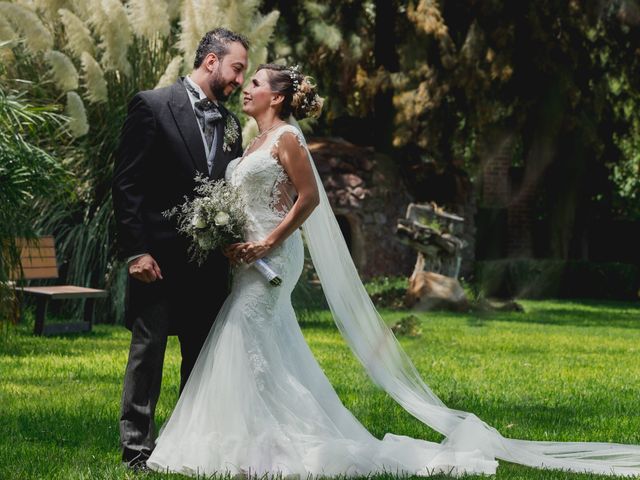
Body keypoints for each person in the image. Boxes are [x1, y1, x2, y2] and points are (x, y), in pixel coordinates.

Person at [147, 64, 640, 477]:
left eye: (255, 83)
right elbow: (254, 197)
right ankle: (248, 441)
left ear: (277, 97)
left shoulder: (289, 137)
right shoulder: (252, 143)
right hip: (246, 255)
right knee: (255, 340)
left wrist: (269, 241)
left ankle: (269, 443)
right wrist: (228, 233)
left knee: (246, 333)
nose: (247, 89)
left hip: (273, 255)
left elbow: (310, 198)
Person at [112, 28, 248, 470]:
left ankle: (189, 445)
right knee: (148, 354)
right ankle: (136, 449)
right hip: (158, 261)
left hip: (209, 265)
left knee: (201, 357)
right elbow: (127, 183)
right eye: (236, 68)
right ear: (211, 61)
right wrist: (136, 252)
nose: (240, 80)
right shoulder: (151, 106)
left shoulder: (230, 124)